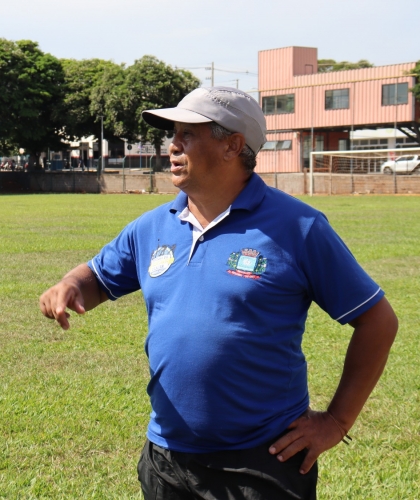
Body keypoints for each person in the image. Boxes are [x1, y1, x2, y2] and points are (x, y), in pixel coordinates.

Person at [39, 86, 398, 499]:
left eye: (187, 134)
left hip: (262, 462)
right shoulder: (153, 226)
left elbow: (377, 320)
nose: (172, 145)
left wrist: (335, 422)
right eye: (173, 133)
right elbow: (97, 279)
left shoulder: (298, 227)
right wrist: (70, 284)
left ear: (233, 145)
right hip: (168, 458)